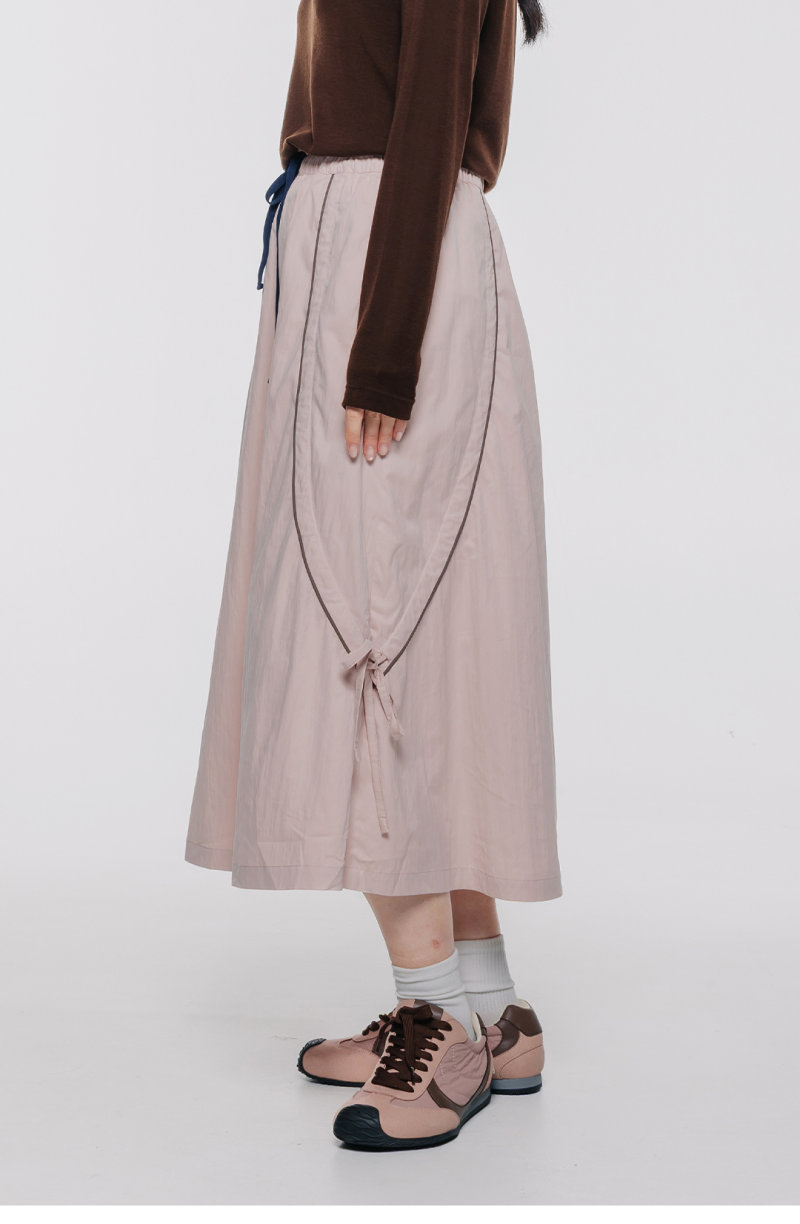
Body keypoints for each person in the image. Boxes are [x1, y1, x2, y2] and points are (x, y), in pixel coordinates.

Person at [185, 0, 563, 1152]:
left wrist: (384, 355)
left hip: (387, 267)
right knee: (402, 628)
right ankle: (487, 1004)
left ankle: (433, 1022)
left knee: (367, 635)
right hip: (368, 251)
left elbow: (431, 109)